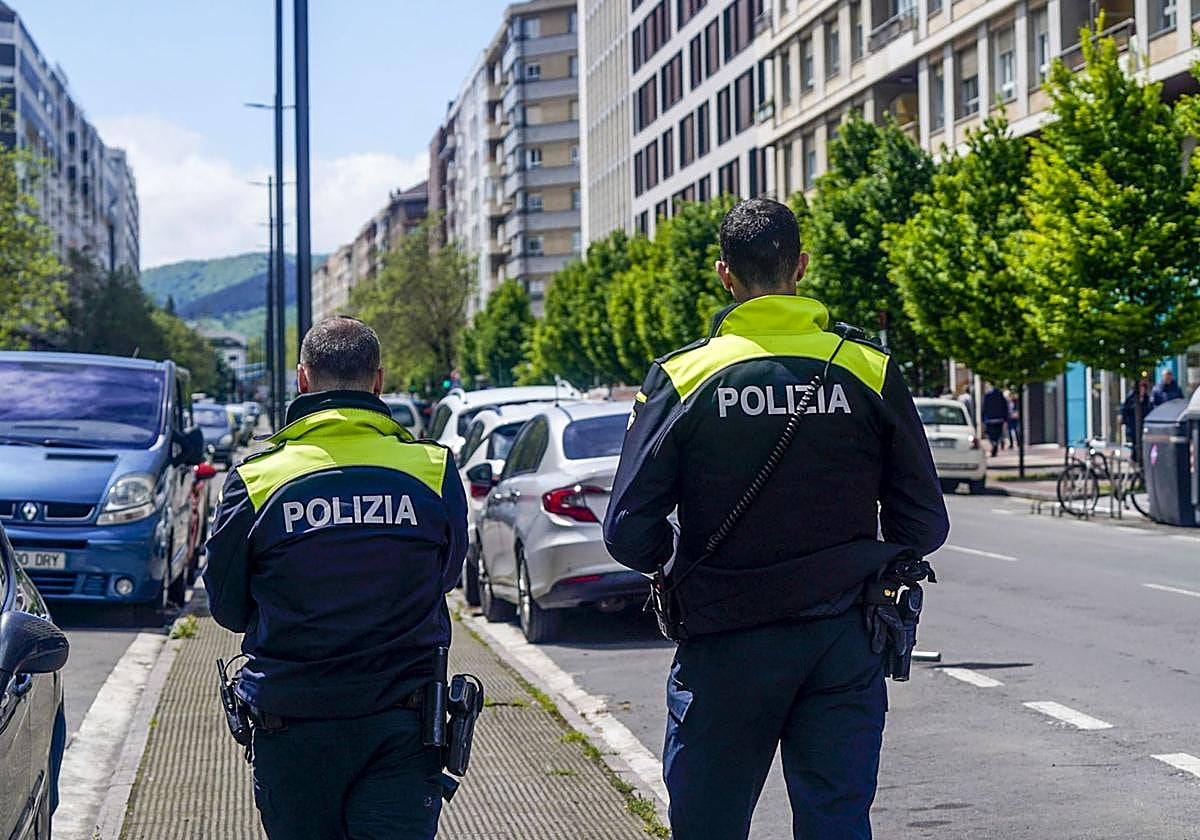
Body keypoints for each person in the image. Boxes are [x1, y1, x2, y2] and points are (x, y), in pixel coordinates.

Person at [602, 199, 949, 840]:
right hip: (845, 639)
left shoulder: (684, 376)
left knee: (707, 825)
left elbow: (627, 529)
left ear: (723, 275)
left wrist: (677, 561)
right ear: (803, 267)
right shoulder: (868, 368)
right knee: (836, 823)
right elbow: (925, 524)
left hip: (725, 640)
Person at [205, 316, 468, 840]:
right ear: (379, 382)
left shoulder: (257, 478)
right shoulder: (433, 470)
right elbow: (447, 576)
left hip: (293, 725)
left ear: (303, 380)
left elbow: (228, 608)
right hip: (404, 723)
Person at [1121, 379, 1152, 458]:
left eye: (1144, 388)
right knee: (1135, 445)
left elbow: (1149, 410)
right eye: (1141, 388)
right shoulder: (1131, 398)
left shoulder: (1147, 399)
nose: (1143, 390)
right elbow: (1125, 410)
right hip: (1133, 426)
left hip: (1143, 426)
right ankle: (1135, 460)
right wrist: (1125, 421)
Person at [981, 385, 1008, 457]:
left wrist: (983, 418)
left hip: (990, 419)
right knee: (998, 434)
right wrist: (1005, 418)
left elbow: (984, 407)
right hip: (999, 419)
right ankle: (995, 442)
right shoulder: (1001, 395)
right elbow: (1005, 407)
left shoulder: (987, 396)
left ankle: (993, 443)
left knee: (990, 434)